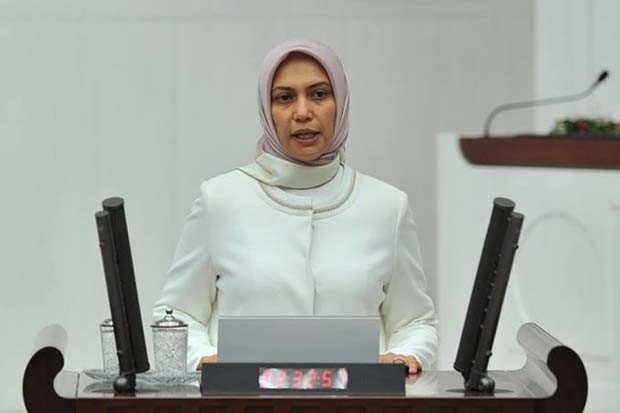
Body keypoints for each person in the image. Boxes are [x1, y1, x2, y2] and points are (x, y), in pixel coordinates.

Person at [154, 39, 439, 375]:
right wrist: (205, 359)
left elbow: (415, 322)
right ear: (267, 109)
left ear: (341, 102)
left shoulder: (387, 206)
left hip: (357, 398)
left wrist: (406, 354)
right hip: (242, 398)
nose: (303, 112)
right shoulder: (221, 200)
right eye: (285, 98)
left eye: (319, 94)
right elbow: (175, 315)